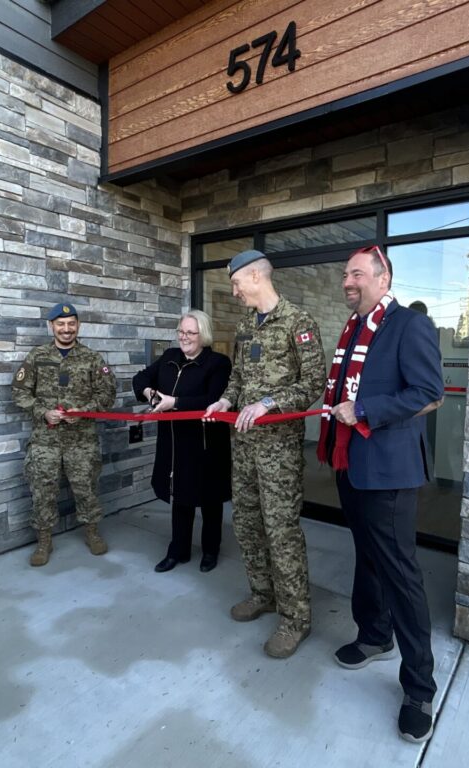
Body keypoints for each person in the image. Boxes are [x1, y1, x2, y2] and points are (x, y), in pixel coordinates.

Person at [318, 245, 444, 743]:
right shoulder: (352, 327)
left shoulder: (408, 325)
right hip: (351, 464)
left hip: (389, 473)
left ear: (382, 276)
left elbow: (429, 393)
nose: (347, 282)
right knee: (367, 556)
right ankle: (374, 635)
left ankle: (419, 688)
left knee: (400, 573)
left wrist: (365, 409)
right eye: (345, 274)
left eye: (356, 274)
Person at [204, 250, 326, 659]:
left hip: (279, 450)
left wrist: (270, 403)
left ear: (256, 276)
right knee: (247, 523)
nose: (234, 291)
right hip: (243, 445)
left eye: (237, 283)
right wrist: (225, 401)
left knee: (281, 530)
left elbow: (314, 383)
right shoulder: (244, 326)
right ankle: (263, 593)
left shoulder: (298, 322)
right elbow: (238, 378)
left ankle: (296, 618)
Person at [12, 301, 117, 566]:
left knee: (86, 490)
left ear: (78, 325)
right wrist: (43, 411)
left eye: (71, 324)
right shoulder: (37, 356)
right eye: (61, 324)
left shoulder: (92, 358)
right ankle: (44, 541)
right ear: (52, 326)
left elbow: (107, 394)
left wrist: (85, 410)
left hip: (82, 440)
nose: (66, 329)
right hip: (45, 441)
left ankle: (92, 533)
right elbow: (19, 392)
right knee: (42, 491)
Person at [133, 310, 232, 573]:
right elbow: (140, 378)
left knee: (210, 501)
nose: (184, 337)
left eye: (190, 333)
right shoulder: (169, 358)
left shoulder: (218, 363)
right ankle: (178, 550)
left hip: (205, 444)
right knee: (180, 498)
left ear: (204, 335)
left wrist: (173, 403)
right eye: (181, 332)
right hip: (174, 443)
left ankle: (211, 550)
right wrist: (149, 392)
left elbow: (212, 399)